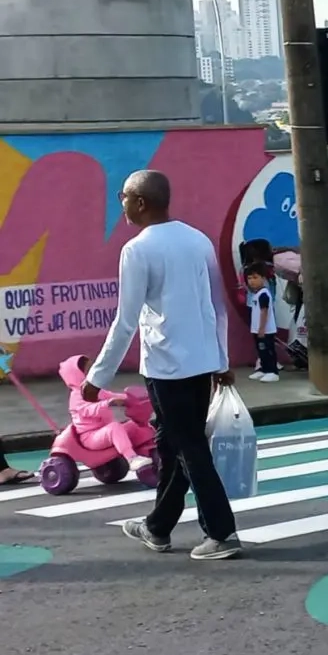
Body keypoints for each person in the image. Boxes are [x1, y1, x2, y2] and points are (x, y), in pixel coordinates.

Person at [86, 169, 241, 560]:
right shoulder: (197, 240)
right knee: (171, 445)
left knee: (188, 446)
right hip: (202, 362)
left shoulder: (137, 250)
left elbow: (125, 321)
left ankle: (221, 532)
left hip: (167, 367)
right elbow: (217, 306)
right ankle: (158, 527)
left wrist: (97, 378)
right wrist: (221, 358)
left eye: (123, 196)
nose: (119, 203)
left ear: (140, 202)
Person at [60, 356, 156, 471]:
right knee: (115, 428)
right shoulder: (76, 397)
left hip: (104, 431)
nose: (93, 373)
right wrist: (108, 403)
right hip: (90, 436)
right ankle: (131, 458)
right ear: (77, 376)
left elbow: (112, 395)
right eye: (88, 371)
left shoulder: (97, 391)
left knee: (134, 425)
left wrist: (130, 398)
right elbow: (88, 409)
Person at [244, 262, 280, 383]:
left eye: (255, 277)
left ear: (263, 279)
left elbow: (264, 312)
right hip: (256, 329)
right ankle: (263, 369)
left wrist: (262, 328)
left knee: (268, 350)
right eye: (249, 278)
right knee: (261, 351)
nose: (252, 281)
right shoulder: (255, 294)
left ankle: (273, 371)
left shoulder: (264, 294)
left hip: (265, 330)